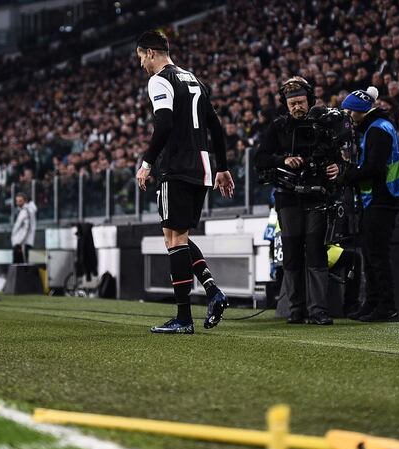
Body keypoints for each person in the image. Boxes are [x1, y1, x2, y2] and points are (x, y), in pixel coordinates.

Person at [134, 30, 234, 334]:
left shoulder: (159, 79)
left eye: (140, 57)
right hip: (202, 167)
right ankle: (213, 291)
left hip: (177, 166)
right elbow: (216, 127)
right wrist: (223, 167)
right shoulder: (195, 80)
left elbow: (163, 123)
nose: (140, 65)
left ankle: (183, 318)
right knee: (174, 235)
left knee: (174, 240)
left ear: (151, 53)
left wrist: (147, 163)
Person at [254, 76, 336, 325]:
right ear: (286, 105)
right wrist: (283, 160)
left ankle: (318, 310)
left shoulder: (324, 125)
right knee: (291, 253)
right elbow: (260, 159)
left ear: (310, 101)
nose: (297, 107)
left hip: (317, 195)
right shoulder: (278, 127)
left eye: (300, 102)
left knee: (315, 251)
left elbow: (338, 157)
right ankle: (297, 309)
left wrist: (336, 167)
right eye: (292, 104)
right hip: (287, 196)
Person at [334, 86, 399, 321]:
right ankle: (373, 303)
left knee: (377, 256)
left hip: (382, 198)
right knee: (370, 254)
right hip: (378, 199)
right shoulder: (377, 128)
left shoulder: (378, 131)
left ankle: (386, 307)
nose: (347, 119)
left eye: (349, 113)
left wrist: (347, 174)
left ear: (359, 111)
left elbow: (374, 169)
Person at [11, 192, 37, 264]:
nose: (18, 203)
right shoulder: (23, 211)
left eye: (20, 201)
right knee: (18, 265)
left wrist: (20, 242)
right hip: (20, 243)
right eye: (17, 201)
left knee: (23, 265)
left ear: (25, 201)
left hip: (22, 243)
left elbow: (27, 228)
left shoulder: (27, 211)